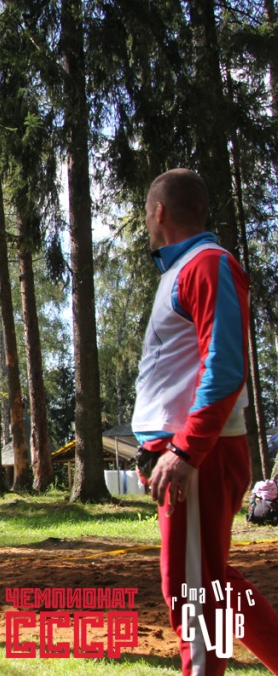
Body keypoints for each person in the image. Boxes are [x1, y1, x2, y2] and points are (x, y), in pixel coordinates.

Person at [134, 169, 278, 675]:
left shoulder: (207, 263)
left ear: (159, 213)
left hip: (200, 457)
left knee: (191, 593)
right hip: (188, 456)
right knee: (212, 581)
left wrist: (186, 450)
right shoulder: (181, 270)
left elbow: (226, 366)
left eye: (146, 213)